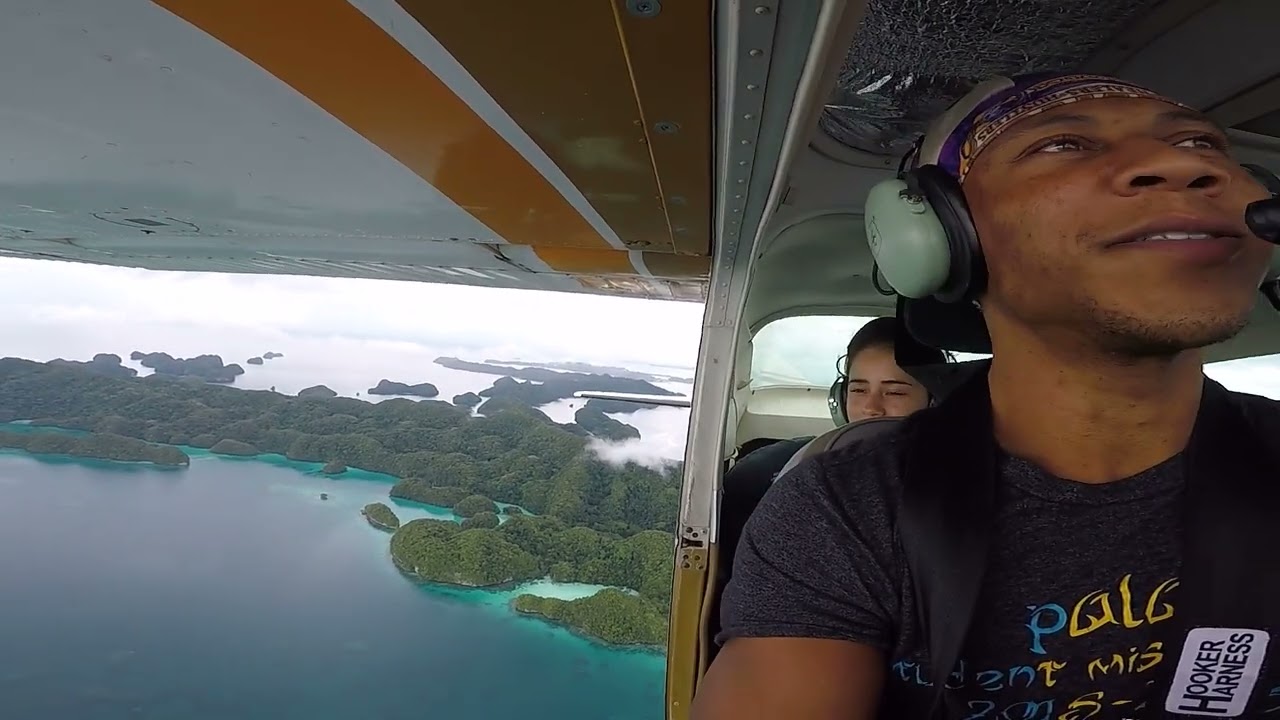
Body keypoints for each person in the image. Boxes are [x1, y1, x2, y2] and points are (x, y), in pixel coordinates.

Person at [692, 72, 1279, 718]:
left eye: (1202, 144)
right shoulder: (848, 506)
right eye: (1062, 145)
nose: (1179, 165)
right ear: (944, 235)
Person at [832, 316, 948, 424]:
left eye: (894, 392)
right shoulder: (823, 446)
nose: (871, 408)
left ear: (934, 402)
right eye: (858, 390)